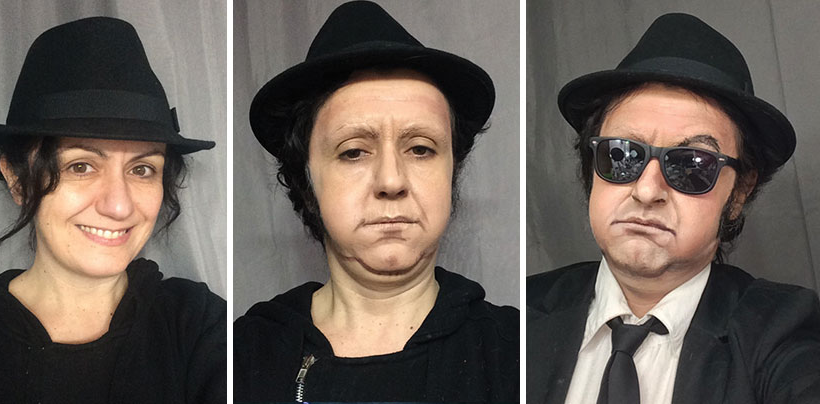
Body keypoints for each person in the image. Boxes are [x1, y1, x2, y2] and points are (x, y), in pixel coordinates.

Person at [525, 13, 820, 404]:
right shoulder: (520, 317)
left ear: (739, 193)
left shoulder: (783, 331)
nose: (647, 191)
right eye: (622, 155)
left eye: (692, 164)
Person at [233, 1, 518, 402]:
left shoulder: (518, 353)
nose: (391, 180)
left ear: (451, 174)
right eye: (353, 152)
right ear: (305, 181)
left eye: (421, 149)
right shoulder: (241, 356)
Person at [0, 17, 225, 403]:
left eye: (142, 169)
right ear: (17, 179)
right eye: (81, 166)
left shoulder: (201, 327)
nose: (119, 205)